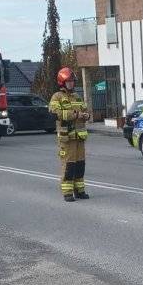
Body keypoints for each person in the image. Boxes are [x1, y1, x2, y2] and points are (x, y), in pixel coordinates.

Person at [49, 68, 91, 201]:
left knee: (80, 165)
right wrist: (75, 114)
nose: (71, 84)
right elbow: (54, 113)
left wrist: (86, 115)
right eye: (69, 81)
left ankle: (79, 190)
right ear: (62, 82)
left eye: (73, 81)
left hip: (79, 138)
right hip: (67, 138)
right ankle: (67, 192)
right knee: (69, 165)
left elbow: (85, 110)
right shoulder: (57, 97)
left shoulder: (77, 97)